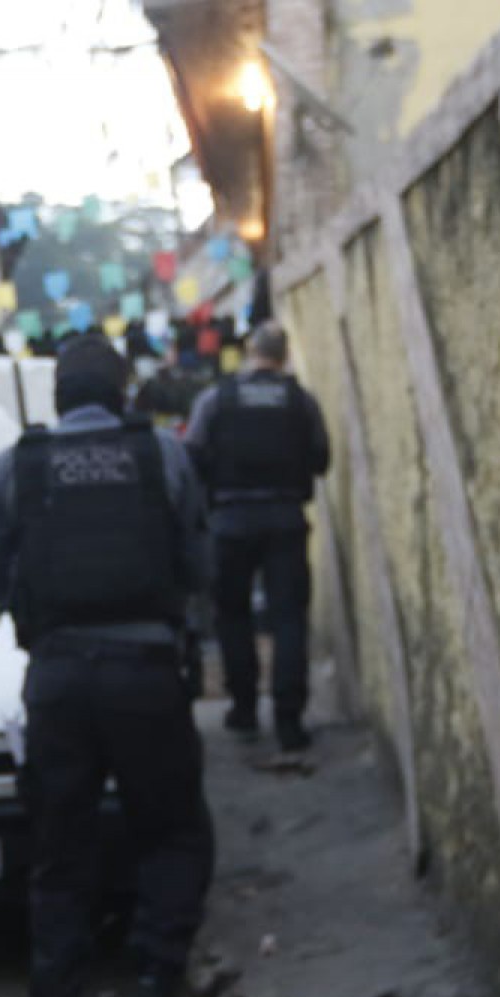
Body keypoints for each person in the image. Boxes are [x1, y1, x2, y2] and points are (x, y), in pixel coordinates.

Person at [0, 334, 217, 997]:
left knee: (60, 852)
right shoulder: (161, 455)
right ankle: (155, 990)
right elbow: (201, 566)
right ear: (124, 388)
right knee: (172, 832)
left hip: (60, 681)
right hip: (146, 674)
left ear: (59, 397)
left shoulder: (18, 465)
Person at [184, 320, 330, 751]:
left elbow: (193, 454)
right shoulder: (300, 401)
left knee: (233, 616)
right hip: (285, 518)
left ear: (250, 352)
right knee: (288, 619)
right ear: (284, 355)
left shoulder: (216, 399)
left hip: (229, 521)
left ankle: (244, 709)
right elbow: (321, 458)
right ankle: (289, 720)